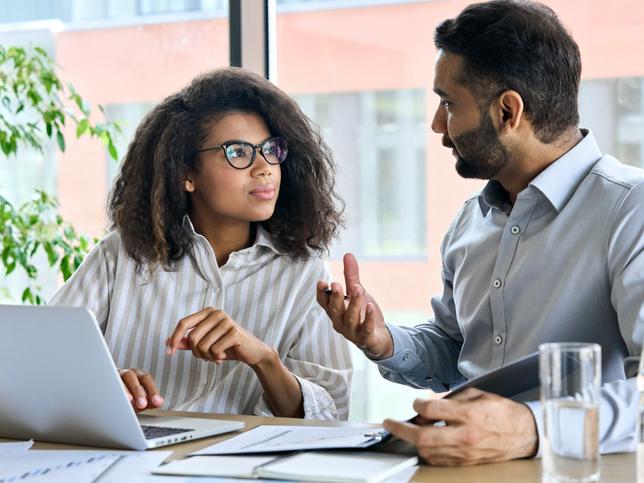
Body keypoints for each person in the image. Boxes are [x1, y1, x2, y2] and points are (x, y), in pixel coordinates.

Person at [317, 0, 644, 465]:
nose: (437, 125)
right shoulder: (472, 220)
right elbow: (456, 352)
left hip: (567, 470)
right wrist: (382, 340)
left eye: (449, 103)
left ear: (509, 111)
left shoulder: (630, 208)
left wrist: (533, 428)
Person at [51, 67, 352, 421]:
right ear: (186, 174)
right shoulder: (121, 255)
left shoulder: (305, 270)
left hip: (239, 471)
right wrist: (103, 383)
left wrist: (264, 359)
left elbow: (331, 416)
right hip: (132, 460)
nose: (264, 167)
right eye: (238, 152)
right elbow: (40, 360)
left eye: (271, 150)